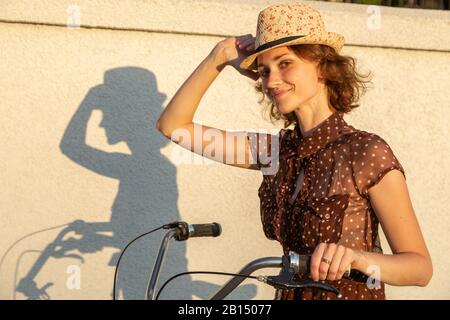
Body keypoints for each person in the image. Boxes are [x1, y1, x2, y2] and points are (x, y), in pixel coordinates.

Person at [156, 3, 432, 300]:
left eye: (285, 63)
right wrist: (220, 55)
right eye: (264, 71)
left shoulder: (364, 152)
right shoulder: (274, 152)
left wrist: (356, 258)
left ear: (322, 66)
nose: (271, 81)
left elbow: (419, 268)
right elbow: (173, 125)